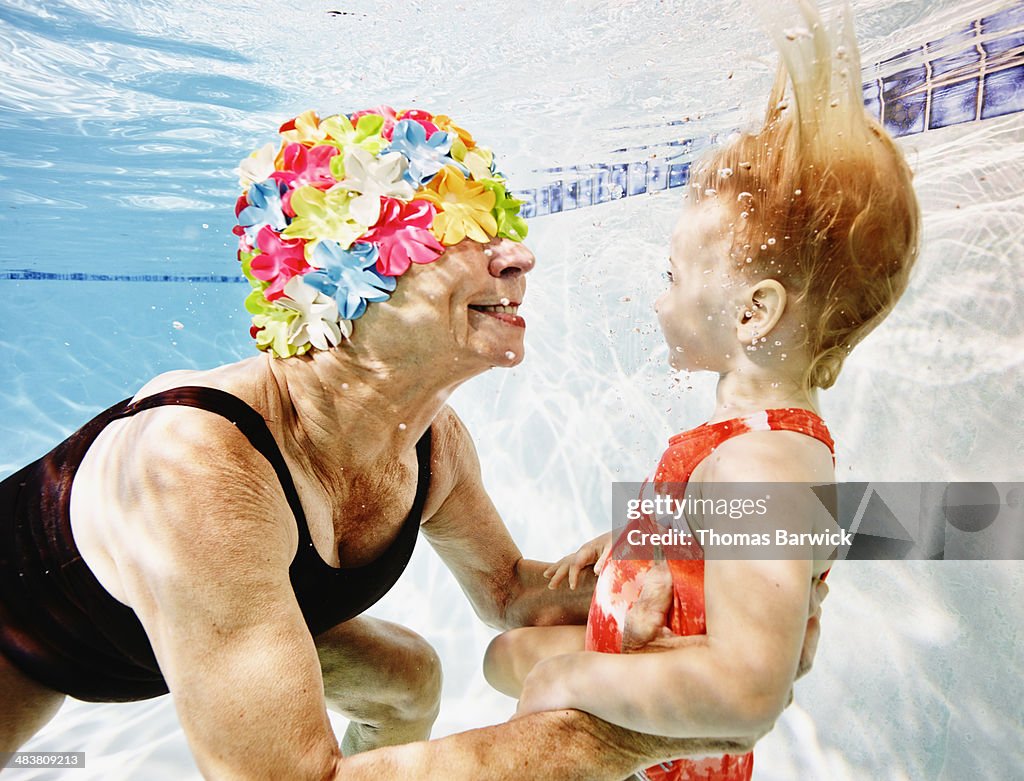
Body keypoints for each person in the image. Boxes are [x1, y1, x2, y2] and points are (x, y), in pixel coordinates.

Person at [0, 105, 823, 780]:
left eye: (500, 219)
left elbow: (510, 592)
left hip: (194, 621)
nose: (521, 255)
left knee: (407, 681)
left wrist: (689, 573)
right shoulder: (202, 470)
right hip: (25, 637)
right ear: (340, 281)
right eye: (461, 228)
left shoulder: (430, 441)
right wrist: (638, 730)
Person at [483, 2, 920, 779]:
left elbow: (750, 695)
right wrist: (644, 538)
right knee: (507, 652)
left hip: (668, 761)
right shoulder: (752, 442)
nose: (659, 300)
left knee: (534, 670)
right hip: (655, 642)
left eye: (674, 278)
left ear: (755, 312)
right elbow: (723, 536)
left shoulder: (769, 465)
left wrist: (567, 683)